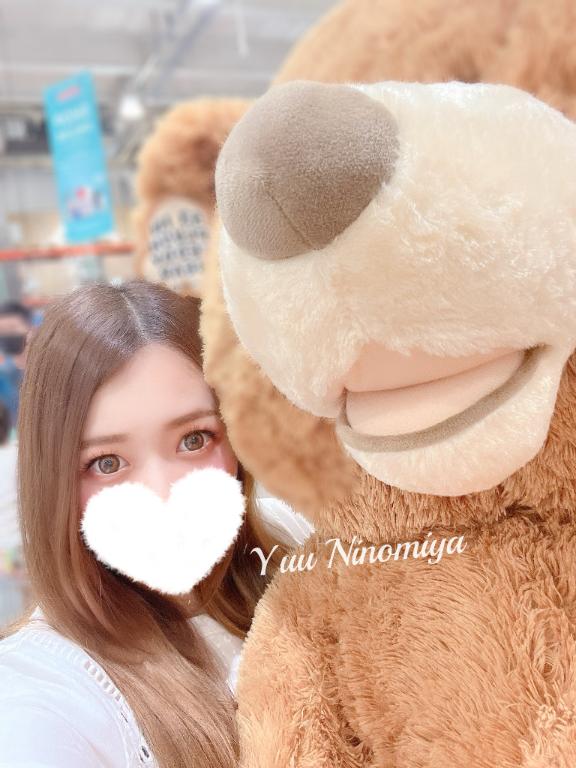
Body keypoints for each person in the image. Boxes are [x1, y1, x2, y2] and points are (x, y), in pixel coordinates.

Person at [0, 280, 287, 768]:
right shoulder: (47, 692)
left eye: (194, 439)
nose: (163, 494)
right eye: (107, 463)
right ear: (55, 480)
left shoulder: (295, 550)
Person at [0, 301, 32, 431]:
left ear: (29, 328)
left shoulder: (48, 367)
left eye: (12, 328)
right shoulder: (3, 374)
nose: (7, 334)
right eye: (2, 331)